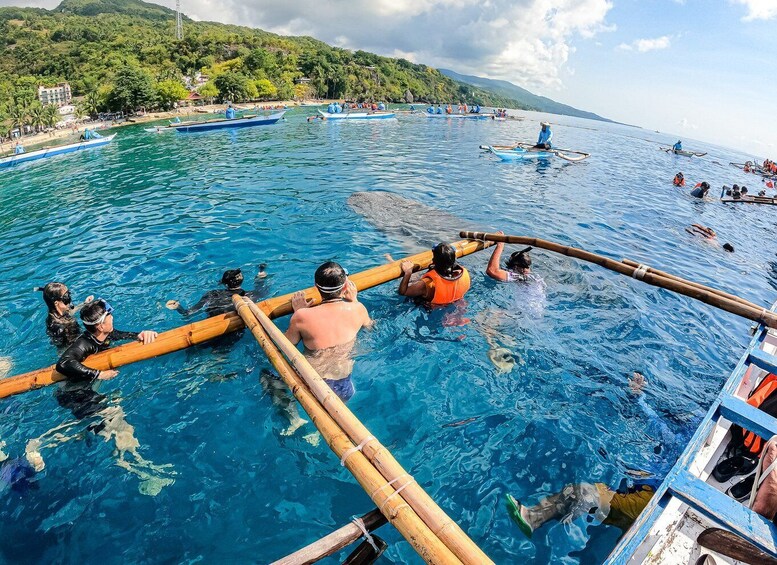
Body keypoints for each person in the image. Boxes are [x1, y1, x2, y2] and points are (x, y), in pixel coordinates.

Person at [53, 300, 172, 495]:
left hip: (83, 393)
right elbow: (64, 363)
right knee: (121, 427)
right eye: (109, 316)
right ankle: (139, 471)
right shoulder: (84, 343)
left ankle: (136, 465)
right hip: (75, 395)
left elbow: (119, 334)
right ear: (100, 325)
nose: (112, 317)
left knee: (114, 426)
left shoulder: (102, 335)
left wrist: (139, 335)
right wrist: (98, 374)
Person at [284, 262, 372, 403]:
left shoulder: (302, 316)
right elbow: (371, 328)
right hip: (344, 385)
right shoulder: (358, 309)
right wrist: (355, 301)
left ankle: (293, 419)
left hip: (313, 383)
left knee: (267, 378)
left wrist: (298, 312)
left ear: (315, 286)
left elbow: (284, 345)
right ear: (345, 287)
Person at [166, 266, 267, 318]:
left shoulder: (212, 294)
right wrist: (260, 278)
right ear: (242, 280)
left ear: (225, 284)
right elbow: (263, 291)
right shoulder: (251, 295)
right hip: (233, 330)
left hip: (211, 326)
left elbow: (188, 313)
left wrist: (178, 307)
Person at [398, 243, 471, 305]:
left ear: (433, 261)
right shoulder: (463, 273)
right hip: (456, 304)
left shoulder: (428, 284)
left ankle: (390, 259)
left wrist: (408, 273)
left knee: (413, 278)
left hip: (430, 308)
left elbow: (403, 292)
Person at [36, 282, 94, 348]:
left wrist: (85, 303)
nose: (69, 299)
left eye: (69, 294)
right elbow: (63, 348)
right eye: (66, 297)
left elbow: (70, 312)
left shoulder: (60, 312)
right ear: (56, 303)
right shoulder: (58, 327)